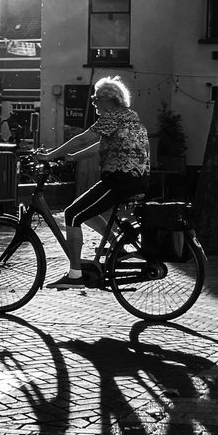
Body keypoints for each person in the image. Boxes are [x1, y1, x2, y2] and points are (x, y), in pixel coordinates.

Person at [37, 76, 149, 287]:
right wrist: (72, 157)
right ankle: (117, 245)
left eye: (96, 98)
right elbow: (98, 147)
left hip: (119, 180)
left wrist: (49, 156)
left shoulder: (111, 117)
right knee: (87, 212)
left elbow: (83, 138)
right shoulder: (129, 117)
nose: (94, 103)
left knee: (72, 214)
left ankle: (75, 275)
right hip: (136, 179)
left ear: (108, 99)